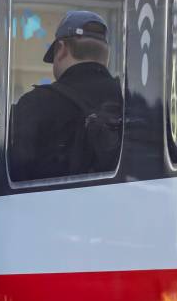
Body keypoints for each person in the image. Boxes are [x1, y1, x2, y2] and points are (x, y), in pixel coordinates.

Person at [8, 10, 122, 182]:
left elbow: (8, 178)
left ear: (61, 49)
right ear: (107, 54)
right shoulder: (135, 103)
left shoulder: (36, 105)